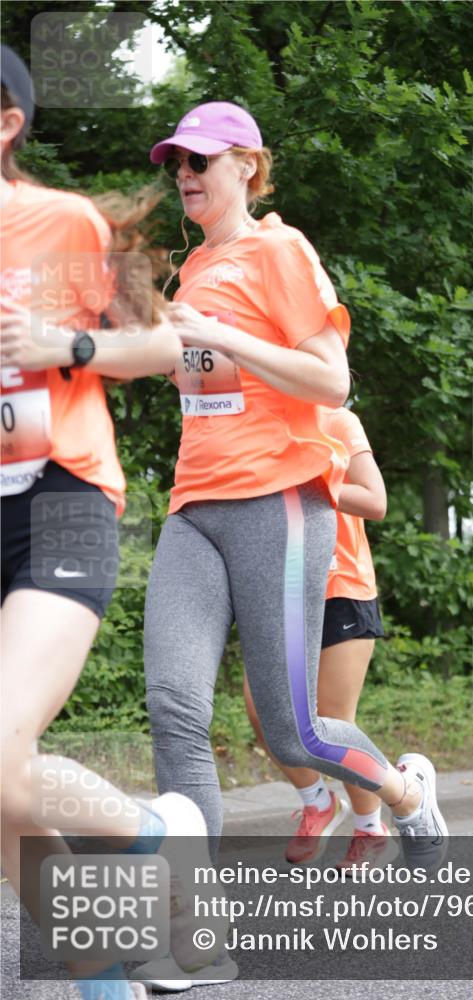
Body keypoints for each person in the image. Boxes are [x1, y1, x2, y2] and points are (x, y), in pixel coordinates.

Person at [141, 101, 448, 896]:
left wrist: (220, 333)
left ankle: (407, 797)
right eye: (176, 162)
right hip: (193, 506)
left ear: (247, 164)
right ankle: (188, 927)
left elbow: (330, 379)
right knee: (175, 710)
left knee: (293, 729)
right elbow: (185, 372)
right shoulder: (194, 269)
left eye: (200, 161)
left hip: (277, 500)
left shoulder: (278, 249)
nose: (185, 174)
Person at [0, 46, 214, 1000]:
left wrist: (66, 344)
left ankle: (161, 833)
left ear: (6, 122)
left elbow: (166, 345)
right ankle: (103, 971)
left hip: (59, 501)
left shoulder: (61, 222)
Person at [243, 403, 397, 871]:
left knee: (331, 719)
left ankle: (372, 829)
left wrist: (310, 477)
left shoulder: (338, 421)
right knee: (260, 706)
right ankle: (317, 802)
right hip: (285, 590)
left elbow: (375, 501)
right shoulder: (256, 422)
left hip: (341, 586)